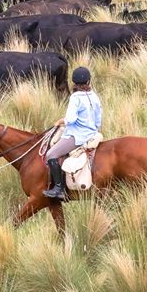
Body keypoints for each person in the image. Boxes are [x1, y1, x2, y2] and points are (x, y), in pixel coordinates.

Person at [43, 66, 103, 200]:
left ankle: (59, 188)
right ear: (88, 81)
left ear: (74, 82)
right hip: (92, 133)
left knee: (51, 154)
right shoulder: (94, 96)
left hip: (77, 136)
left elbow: (70, 119)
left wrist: (60, 121)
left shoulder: (75, 97)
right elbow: (99, 120)